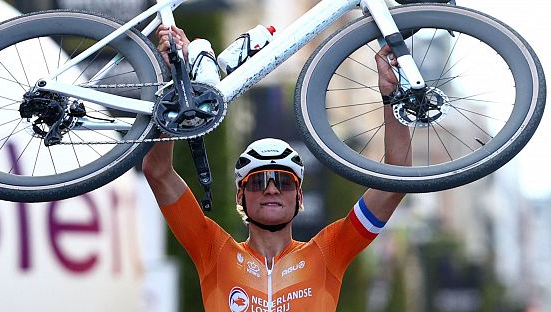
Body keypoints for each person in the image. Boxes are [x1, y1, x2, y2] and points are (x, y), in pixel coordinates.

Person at [143, 25, 411, 312]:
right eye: (258, 182)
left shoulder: (328, 252)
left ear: (299, 196)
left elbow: (397, 181)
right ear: (240, 196)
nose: (271, 188)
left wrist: (391, 95)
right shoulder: (213, 250)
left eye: (283, 182)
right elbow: (157, 171)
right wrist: (175, 81)